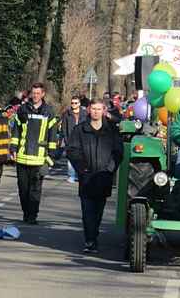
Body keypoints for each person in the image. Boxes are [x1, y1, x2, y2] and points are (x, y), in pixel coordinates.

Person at [66, 99, 123, 253]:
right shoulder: (80, 130)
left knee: (98, 211)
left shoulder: (111, 130)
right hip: (86, 177)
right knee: (87, 211)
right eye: (94, 109)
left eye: (99, 109)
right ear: (89, 110)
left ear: (104, 111)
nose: (96, 112)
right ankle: (90, 240)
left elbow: (118, 151)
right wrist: (82, 169)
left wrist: (110, 168)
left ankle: (93, 235)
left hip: (104, 176)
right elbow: (72, 150)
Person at [9, 82, 58, 225]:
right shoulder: (23, 110)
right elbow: (16, 131)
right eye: (33, 93)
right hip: (22, 156)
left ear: (43, 94)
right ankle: (26, 213)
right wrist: (13, 148)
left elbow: (52, 136)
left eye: (38, 93)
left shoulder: (49, 111)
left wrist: (50, 156)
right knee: (23, 189)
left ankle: (32, 216)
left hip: (39, 158)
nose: (35, 96)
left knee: (35, 190)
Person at [60, 96, 88, 183]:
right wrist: (65, 139)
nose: (74, 105)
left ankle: (80, 175)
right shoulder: (67, 114)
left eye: (76, 103)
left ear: (79, 104)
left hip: (82, 139)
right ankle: (71, 176)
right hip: (70, 139)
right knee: (71, 158)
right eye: (72, 103)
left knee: (82, 158)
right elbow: (64, 128)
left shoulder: (85, 113)